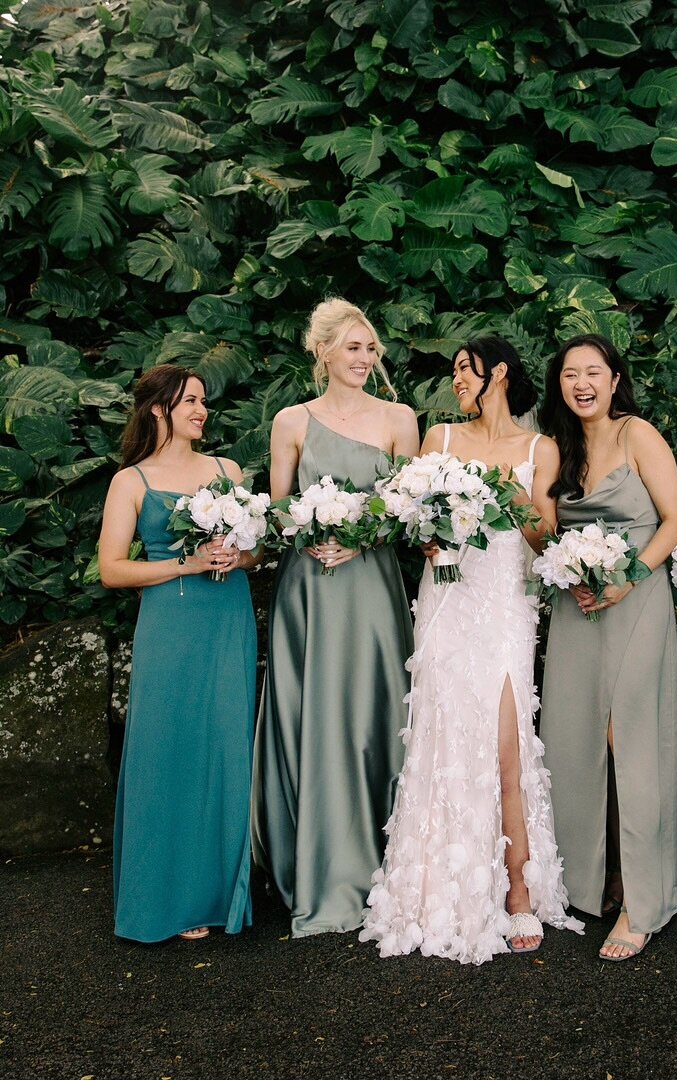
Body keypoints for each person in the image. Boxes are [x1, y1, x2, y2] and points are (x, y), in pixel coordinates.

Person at [360, 336, 583, 964]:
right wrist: (427, 536)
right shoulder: (440, 441)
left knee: (506, 746)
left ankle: (517, 892)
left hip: (506, 606)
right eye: (455, 369)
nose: (456, 379)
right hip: (447, 602)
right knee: (442, 736)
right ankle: (435, 889)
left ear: (499, 374)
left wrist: (512, 501)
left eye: (466, 369)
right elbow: (413, 518)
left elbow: (546, 540)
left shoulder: (541, 448)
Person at [252, 298, 419, 938]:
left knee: (372, 713)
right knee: (317, 714)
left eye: (371, 348)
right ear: (320, 351)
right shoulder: (291, 420)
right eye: (352, 347)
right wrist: (310, 529)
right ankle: (319, 867)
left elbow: (410, 510)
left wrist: (364, 534)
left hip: (371, 588)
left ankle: (385, 864)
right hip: (310, 591)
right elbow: (279, 509)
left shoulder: (400, 420)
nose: (364, 358)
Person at [538, 333, 677, 961]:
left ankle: (643, 902)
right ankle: (589, 880)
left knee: (629, 740)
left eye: (593, 372)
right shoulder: (559, 448)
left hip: (637, 599)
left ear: (615, 378)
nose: (582, 384)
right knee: (573, 740)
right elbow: (543, 531)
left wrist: (630, 578)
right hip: (579, 610)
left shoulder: (639, 434)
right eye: (570, 374)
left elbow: (676, 520)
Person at [99, 364, 256, 942]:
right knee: (167, 747)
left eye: (203, 401)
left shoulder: (227, 471)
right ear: (158, 410)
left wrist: (235, 557)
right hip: (170, 624)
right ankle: (166, 897)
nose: (201, 410)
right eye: (190, 401)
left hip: (226, 618)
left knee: (223, 746)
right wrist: (184, 563)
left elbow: (255, 553)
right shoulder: (131, 481)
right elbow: (113, 569)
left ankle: (218, 895)